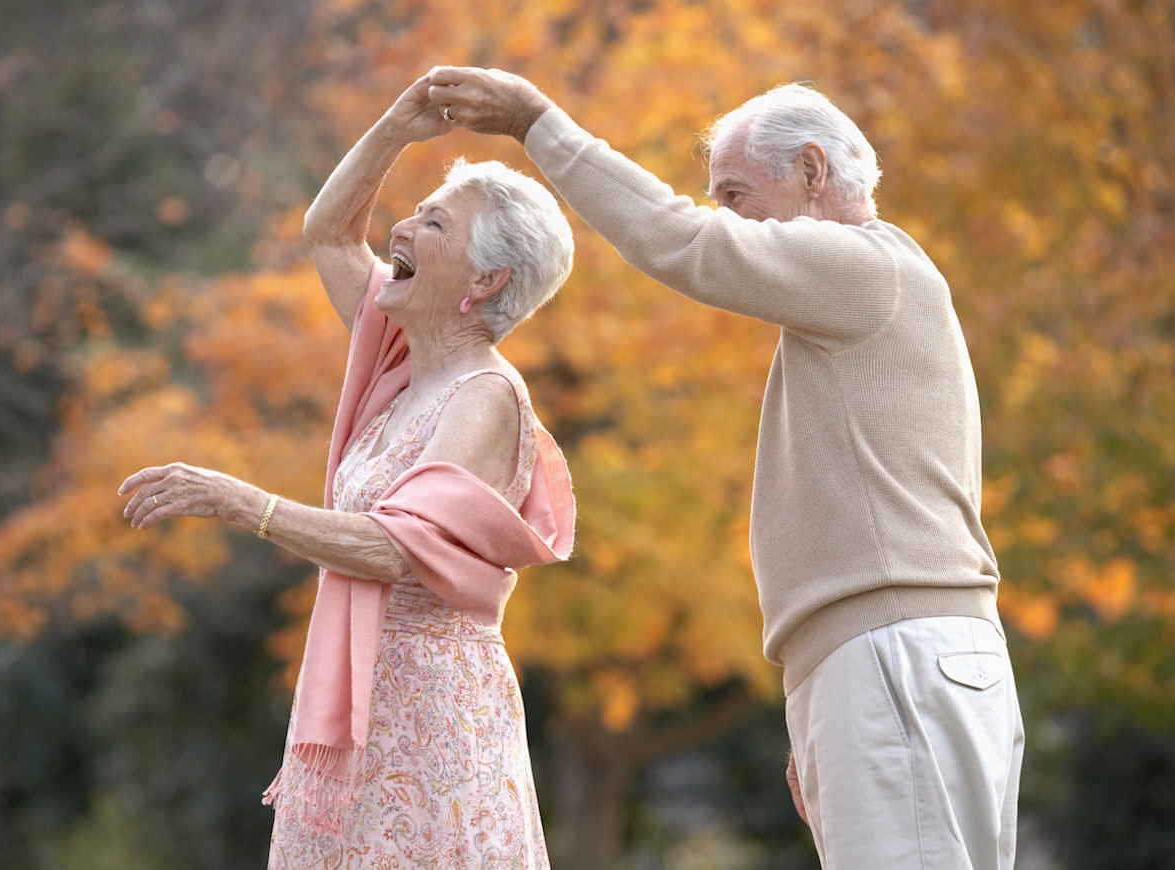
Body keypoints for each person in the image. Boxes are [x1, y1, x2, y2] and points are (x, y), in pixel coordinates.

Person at [427, 68, 1025, 870]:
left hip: (893, 657)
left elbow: (681, 242)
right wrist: (823, 699)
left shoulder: (866, 266)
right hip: (887, 659)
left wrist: (538, 123)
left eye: (736, 195)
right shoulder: (860, 296)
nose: (724, 219)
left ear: (812, 172)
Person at [117, 74, 576, 869]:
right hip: (371, 699)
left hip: (431, 715)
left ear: (484, 282)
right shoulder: (397, 360)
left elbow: (394, 550)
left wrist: (239, 501)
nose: (404, 225)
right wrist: (398, 124)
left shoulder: (487, 395)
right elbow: (329, 231)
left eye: (433, 223)